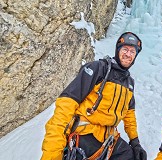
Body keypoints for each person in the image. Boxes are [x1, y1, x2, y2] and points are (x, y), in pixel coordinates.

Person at [41, 32, 147, 160]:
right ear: (117, 50)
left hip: (109, 137)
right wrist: (52, 153)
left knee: (132, 156)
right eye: (125, 49)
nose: (128, 54)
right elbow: (66, 104)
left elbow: (129, 115)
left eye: (132, 51)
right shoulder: (98, 69)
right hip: (85, 133)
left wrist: (135, 142)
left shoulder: (129, 83)